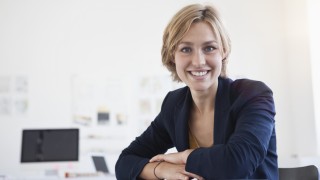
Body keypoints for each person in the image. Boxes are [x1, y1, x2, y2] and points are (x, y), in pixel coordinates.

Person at [115, 3, 278, 180]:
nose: (199, 61)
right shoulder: (174, 104)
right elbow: (125, 163)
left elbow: (237, 164)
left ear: (223, 51)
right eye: (186, 49)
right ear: (172, 56)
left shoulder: (252, 94)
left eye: (209, 48)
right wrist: (162, 170)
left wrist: (184, 156)